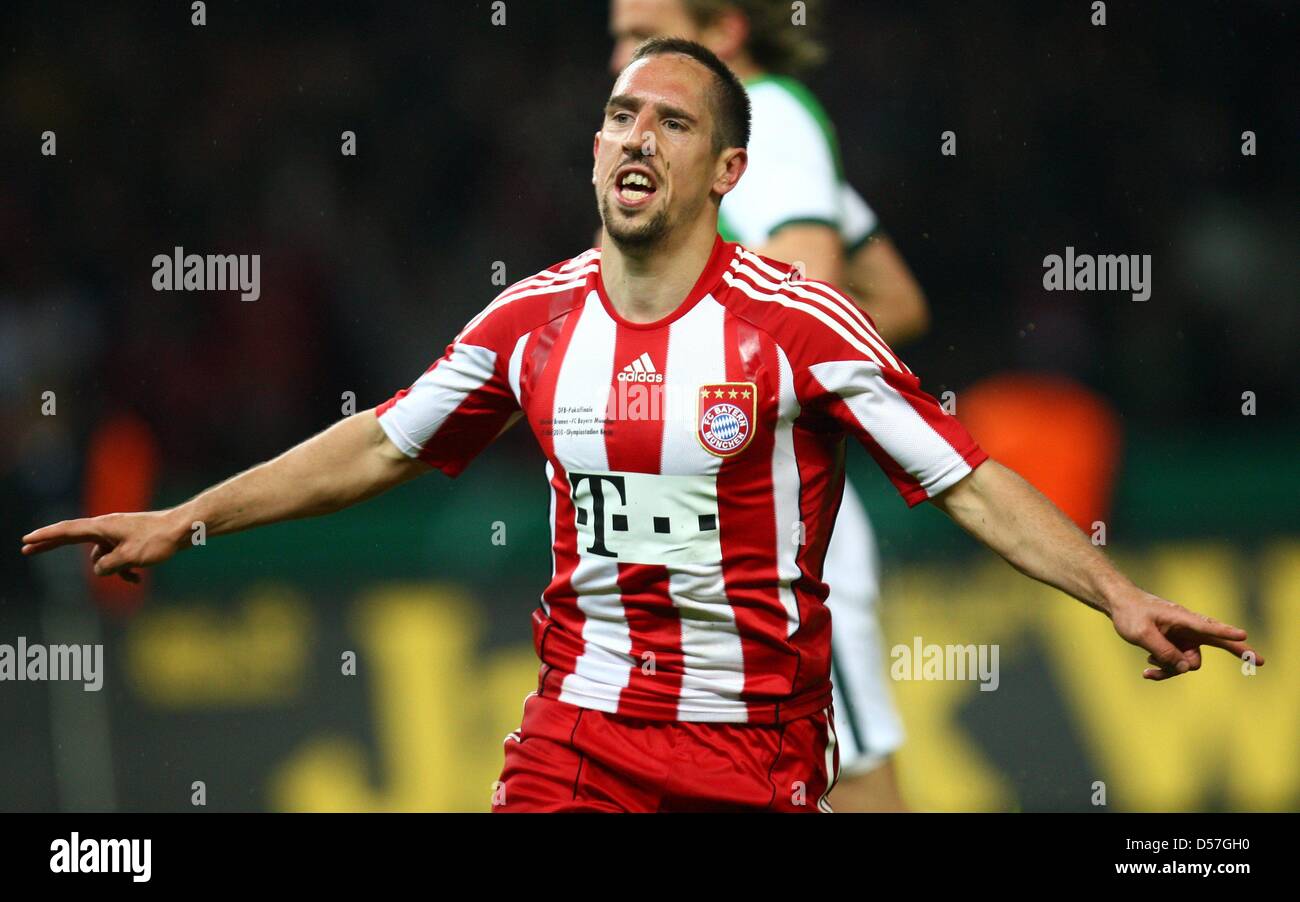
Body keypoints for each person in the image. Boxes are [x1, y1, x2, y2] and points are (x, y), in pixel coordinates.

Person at [22, 39, 1261, 813]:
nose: (634, 137)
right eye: (621, 115)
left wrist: (1116, 593)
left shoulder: (800, 326)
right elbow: (376, 442)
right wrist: (191, 516)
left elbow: (971, 479)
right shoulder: (532, 318)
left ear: (725, 174)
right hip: (579, 734)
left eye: (671, 122)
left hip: (752, 748)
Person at [610, 0, 921, 809]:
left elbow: (813, 294)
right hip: (717, 519)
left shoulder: (772, 119)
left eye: (644, 36)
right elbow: (895, 301)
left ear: (725, 35)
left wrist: (714, 389)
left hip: (778, 520)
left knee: (847, 776)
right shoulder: (735, 147)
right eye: (617, 39)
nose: (620, 59)